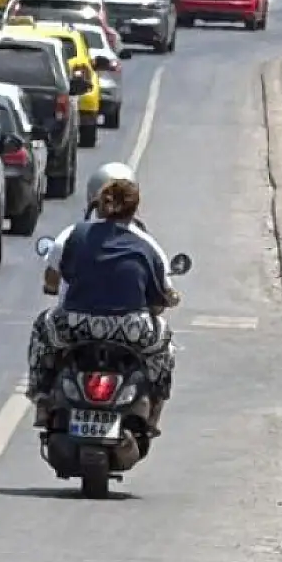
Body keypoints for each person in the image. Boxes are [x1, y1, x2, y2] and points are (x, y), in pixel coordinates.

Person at [27, 178, 179, 434]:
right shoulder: (146, 245)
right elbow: (158, 301)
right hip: (130, 329)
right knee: (164, 343)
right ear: (135, 210)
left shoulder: (75, 235)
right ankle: (154, 409)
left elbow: (53, 278)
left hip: (76, 325)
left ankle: (42, 397)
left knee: (42, 327)